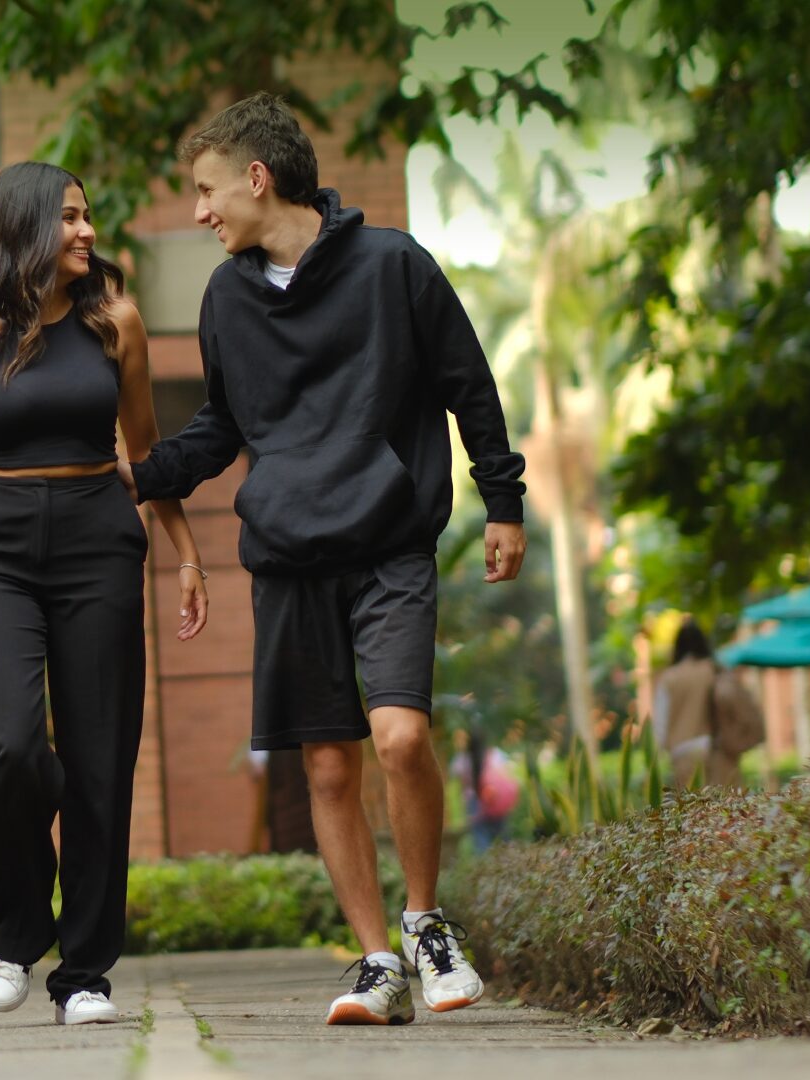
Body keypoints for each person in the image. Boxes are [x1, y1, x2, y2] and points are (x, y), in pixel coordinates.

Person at [116, 93, 527, 1026]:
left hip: (389, 542)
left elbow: (468, 384)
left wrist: (502, 500)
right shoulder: (227, 299)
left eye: (208, 190)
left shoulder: (394, 265)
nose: (200, 211)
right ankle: (377, 963)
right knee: (330, 771)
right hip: (289, 558)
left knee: (401, 738)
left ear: (258, 178)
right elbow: (222, 427)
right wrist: (136, 477)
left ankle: (426, 925)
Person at [0, 161, 210, 1026]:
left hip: (97, 543)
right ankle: (13, 935)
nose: (87, 232)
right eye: (69, 218)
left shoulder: (115, 323)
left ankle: (85, 975)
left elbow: (147, 451)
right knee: (9, 746)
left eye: (87, 217)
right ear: (25, 227)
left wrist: (185, 551)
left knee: (100, 761)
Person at [653, 619, 758, 788]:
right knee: (726, 802)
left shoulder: (668, 678)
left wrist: (667, 750)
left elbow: (660, 727)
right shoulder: (715, 670)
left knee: (691, 803)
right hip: (717, 751)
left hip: (682, 753)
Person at [449, 724, 519, 852]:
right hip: (495, 799)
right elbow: (507, 775)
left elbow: (460, 783)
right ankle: (508, 859)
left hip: (474, 802)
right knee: (503, 837)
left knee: (481, 840)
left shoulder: (462, 759)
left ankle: (486, 862)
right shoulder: (495, 754)